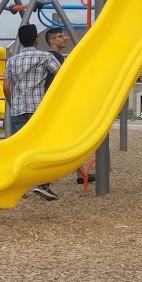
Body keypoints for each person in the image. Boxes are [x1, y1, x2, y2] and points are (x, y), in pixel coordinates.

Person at [3, 24, 61, 201]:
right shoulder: (45, 56)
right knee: (43, 147)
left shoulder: (12, 60)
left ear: (20, 42)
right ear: (36, 40)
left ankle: (20, 185)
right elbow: (61, 76)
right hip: (39, 107)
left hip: (19, 108)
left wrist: (12, 103)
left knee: (21, 148)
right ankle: (42, 184)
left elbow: (6, 86)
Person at [46, 27, 90, 186]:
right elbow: (62, 80)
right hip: (56, 103)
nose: (65, 38)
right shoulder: (54, 57)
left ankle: (80, 173)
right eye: (60, 36)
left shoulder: (51, 56)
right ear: (52, 41)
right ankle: (44, 178)